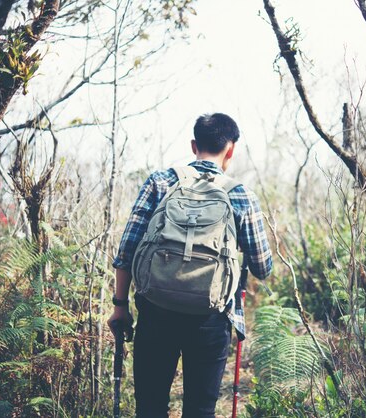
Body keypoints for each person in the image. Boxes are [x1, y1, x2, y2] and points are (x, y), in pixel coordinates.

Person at [108, 113, 273, 418]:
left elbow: (126, 251)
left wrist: (120, 305)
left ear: (194, 144)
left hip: (155, 310)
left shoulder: (160, 181)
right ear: (231, 149)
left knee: (150, 407)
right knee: (200, 410)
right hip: (210, 319)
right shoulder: (239, 194)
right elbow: (263, 268)